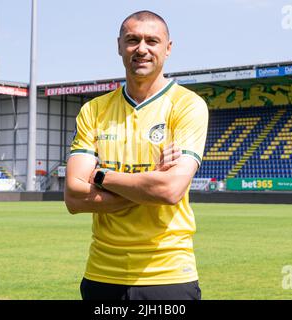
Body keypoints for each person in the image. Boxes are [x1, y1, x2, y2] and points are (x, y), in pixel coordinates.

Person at [65, 10, 208, 300]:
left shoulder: (187, 106)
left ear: (168, 49)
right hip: (101, 274)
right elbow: (74, 197)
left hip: (168, 276)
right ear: (119, 46)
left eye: (152, 41)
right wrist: (147, 184)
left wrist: (102, 176)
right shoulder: (94, 110)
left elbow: (169, 190)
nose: (141, 48)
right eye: (132, 40)